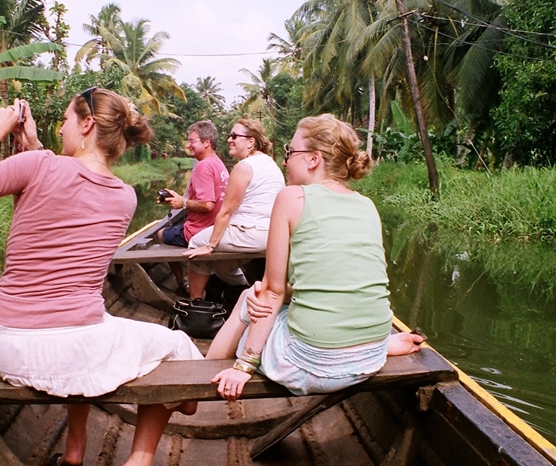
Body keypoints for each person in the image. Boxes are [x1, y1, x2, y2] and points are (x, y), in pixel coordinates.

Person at [0, 88, 203, 466]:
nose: (60, 130)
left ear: (87, 124)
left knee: (97, 327)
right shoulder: (125, 197)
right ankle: (139, 460)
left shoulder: (40, 166)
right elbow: (68, 179)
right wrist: (34, 145)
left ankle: (74, 451)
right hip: (71, 346)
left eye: (65, 120)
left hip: (7, 346)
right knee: (174, 347)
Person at [204, 114, 425, 401]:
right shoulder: (367, 205)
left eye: (290, 152)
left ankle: (196, 385)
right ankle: (381, 345)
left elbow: (272, 291)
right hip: (371, 356)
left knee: (251, 297)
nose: (285, 161)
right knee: (264, 294)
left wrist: (245, 365)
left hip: (312, 364)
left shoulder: (291, 197)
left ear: (313, 159)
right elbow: (338, 279)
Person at [183, 118, 284, 301]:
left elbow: (226, 211)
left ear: (251, 141)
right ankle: (244, 293)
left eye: (235, 136)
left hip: (250, 233)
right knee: (223, 265)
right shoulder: (269, 163)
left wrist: (210, 245)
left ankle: (195, 301)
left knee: (197, 243)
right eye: (230, 135)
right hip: (270, 234)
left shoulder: (244, 167)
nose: (229, 139)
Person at [155, 121, 229, 290]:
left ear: (206, 142)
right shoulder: (219, 163)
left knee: (160, 234)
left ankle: (182, 282)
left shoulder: (203, 166)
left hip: (198, 232)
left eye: (192, 141)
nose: (188, 145)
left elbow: (208, 204)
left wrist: (184, 203)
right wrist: (182, 200)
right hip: (216, 228)